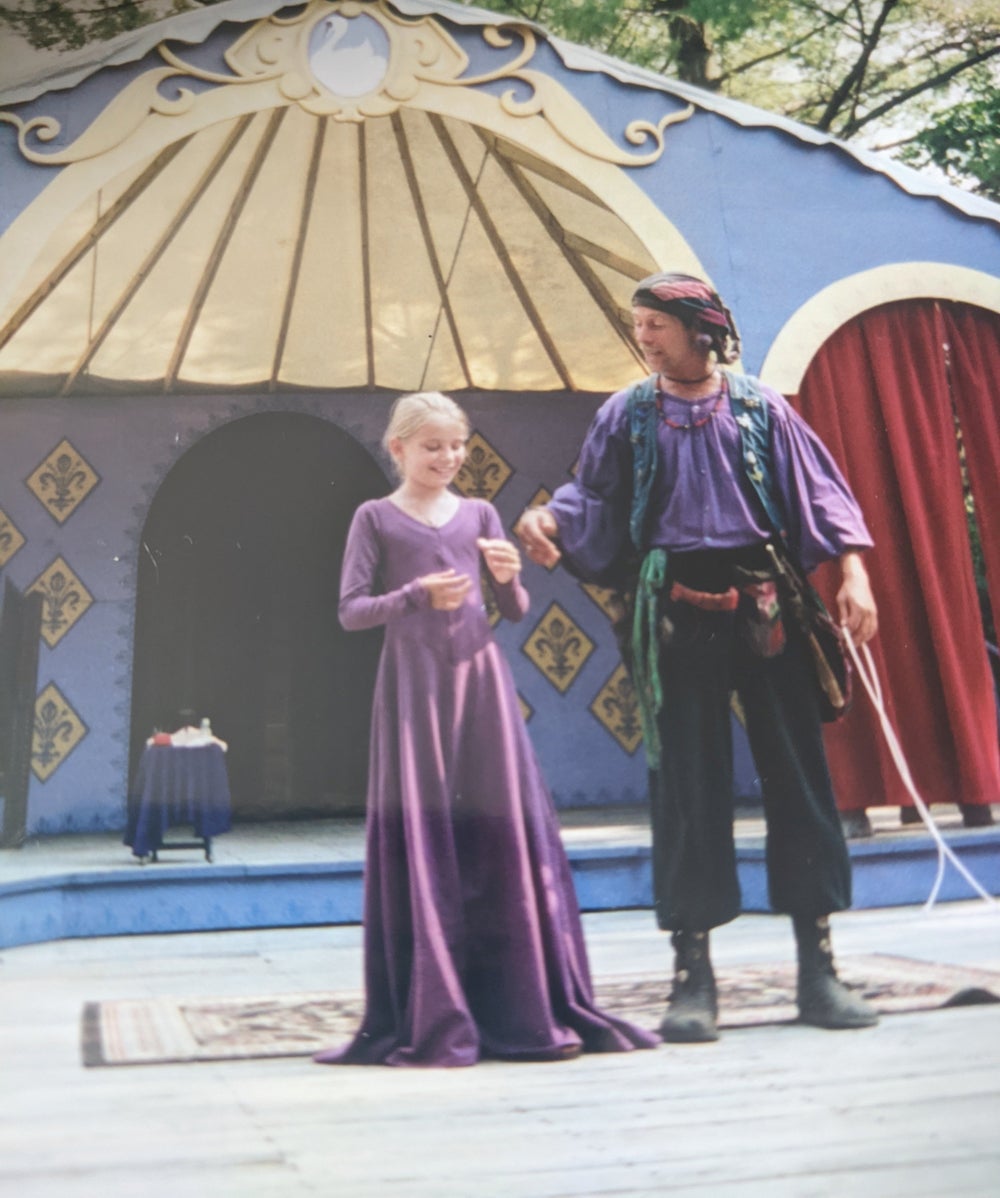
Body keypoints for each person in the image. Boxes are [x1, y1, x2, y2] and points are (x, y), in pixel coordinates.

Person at [516, 272, 881, 1043]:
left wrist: (854, 572)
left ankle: (819, 972)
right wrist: (549, 516)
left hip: (767, 601)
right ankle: (694, 979)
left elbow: (821, 493)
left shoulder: (760, 406)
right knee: (687, 783)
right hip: (674, 605)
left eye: (655, 324)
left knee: (799, 774)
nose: (643, 337)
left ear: (700, 330)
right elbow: (592, 497)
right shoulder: (628, 413)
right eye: (638, 324)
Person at [314, 391, 659, 1067]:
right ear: (399, 450)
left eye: (457, 445)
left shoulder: (477, 513)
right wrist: (416, 596)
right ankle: (436, 1005)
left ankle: (519, 1003)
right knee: (428, 830)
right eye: (433, 446)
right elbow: (352, 611)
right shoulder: (374, 517)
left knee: (498, 833)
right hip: (414, 690)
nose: (448, 457)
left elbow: (509, 606)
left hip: (480, 689)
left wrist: (508, 581)